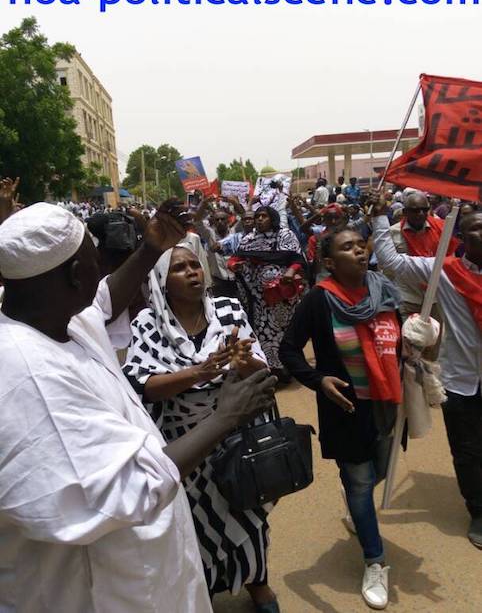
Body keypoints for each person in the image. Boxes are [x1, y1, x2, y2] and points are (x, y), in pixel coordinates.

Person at [0, 202, 277, 613]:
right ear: (77, 276)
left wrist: (149, 249)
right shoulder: (29, 375)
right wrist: (226, 417)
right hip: (103, 591)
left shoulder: (49, 314)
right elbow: (127, 488)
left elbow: (103, 302)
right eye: (96, 262)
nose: (103, 274)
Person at [123, 245, 280, 612]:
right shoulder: (148, 323)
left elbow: (262, 371)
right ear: (162, 281)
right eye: (180, 268)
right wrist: (200, 372)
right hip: (187, 445)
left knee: (246, 511)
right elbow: (140, 384)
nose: (193, 272)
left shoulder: (228, 309)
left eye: (196, 264)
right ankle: (202, 589)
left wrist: (244, 364)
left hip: (237, 437)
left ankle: (258, 582)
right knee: (194, 522)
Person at [279, 227, 402, 610]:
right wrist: (318, 381)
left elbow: (401, 342)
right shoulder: (319, 301)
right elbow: (289, 350)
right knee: (362, 481)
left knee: (380, 473)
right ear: (330, 263)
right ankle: (375, 560)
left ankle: (354, 501)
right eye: (347, 248)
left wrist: (419, 338)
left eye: (360, 245)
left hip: (386, 403)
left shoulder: (384, 292)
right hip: (346, 409)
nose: (359, 251)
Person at [369, 192, 482, 550]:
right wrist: (380, 216)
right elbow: (390, 261)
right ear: (462, 237)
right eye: (474, 229)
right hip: (461, 382)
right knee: (466, 450)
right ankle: (478, 510)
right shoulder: (444, 271)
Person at [233, 206, 306, 383]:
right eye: (257, 216)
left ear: (272, 218)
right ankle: (274, 371)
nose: (259, 219)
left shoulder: (285, 236)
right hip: (260, 301)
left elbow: (298, 259)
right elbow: (236, 258)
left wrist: (290, 272)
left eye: (263, 216)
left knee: (285, 333)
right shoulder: (249, 239)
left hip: (283, 298)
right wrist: (234, 265)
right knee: (264, 335)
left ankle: (290, 368)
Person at [387, 190, 459, 361]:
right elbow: (388, 268)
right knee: (410, 348)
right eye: (415, 210)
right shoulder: (393, 233)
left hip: (435, 298)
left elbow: (450, 261)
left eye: (424, 209)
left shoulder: (441, 229)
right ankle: (411, 383)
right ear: (405, 212)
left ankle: (428, 383)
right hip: (407, 298)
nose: (420, 214)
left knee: (432, 346)